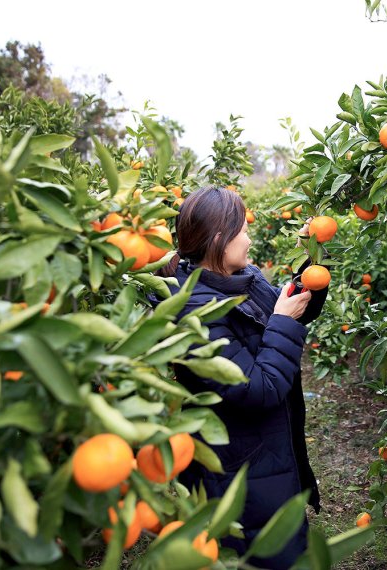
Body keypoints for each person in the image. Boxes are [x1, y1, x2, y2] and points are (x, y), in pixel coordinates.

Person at [151, 185, 328, 569]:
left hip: (268, 457)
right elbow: (259, 387)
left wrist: (310, 272)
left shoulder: (241, 276)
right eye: (241, 230)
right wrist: (283, 319)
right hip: (239, 472)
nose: (249, 237)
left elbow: (279, 314)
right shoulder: (194, 316)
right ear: (218, 239)